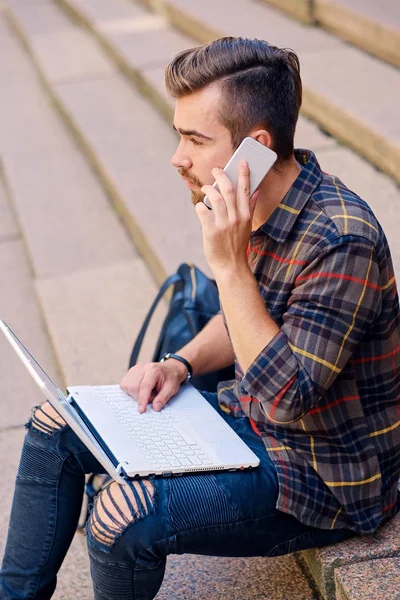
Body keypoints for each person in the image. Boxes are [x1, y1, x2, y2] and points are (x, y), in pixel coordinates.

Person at [1, 37, 400, 600]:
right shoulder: (256, 200)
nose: (177, 157)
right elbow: (244, 322)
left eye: (194, 138)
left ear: (254, 149)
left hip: (324, 473)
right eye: (178, 134)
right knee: (55, 423)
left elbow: (287, 397)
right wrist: (180, 364)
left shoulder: (341, 238)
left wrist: (228, 266)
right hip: (250, 419)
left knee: (119, 519)